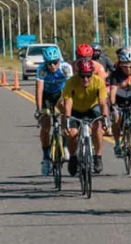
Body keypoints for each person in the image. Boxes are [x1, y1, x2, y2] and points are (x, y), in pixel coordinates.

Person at [62, 59, 109, 176]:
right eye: (82, 76)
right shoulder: (71, 82)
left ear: (92, 74)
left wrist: (105, 118)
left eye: (88, 76)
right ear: (78, 74)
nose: (85, 79)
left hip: (92, 108)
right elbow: (67, 102)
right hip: (75, 109)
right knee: (72, 133)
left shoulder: (98, 82)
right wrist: (67, 119)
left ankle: (98, 156)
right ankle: (73, 158)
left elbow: (103, 103)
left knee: (98, 128)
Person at [35, 46, 73, 177]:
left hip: (60, 94)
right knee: (45, 126)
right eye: (49, 63)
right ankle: (46, 158)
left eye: (55, 62)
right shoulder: (41, 69)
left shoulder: (65, 67)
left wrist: (69, 105)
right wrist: (39, 109)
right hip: (46, 96)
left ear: (59, 60)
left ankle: (65, 144)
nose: (52, 66)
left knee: (65, 110)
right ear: (45, 62)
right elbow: (39, 90)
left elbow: (71, 87)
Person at [108, 48, 131, 158]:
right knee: (117, 119)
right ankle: (117, 143)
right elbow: (112, 91)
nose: (128, 69)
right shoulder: (115, 74)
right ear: (120, 64)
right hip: (119, 99)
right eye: (125, 66)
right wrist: (113, 106)